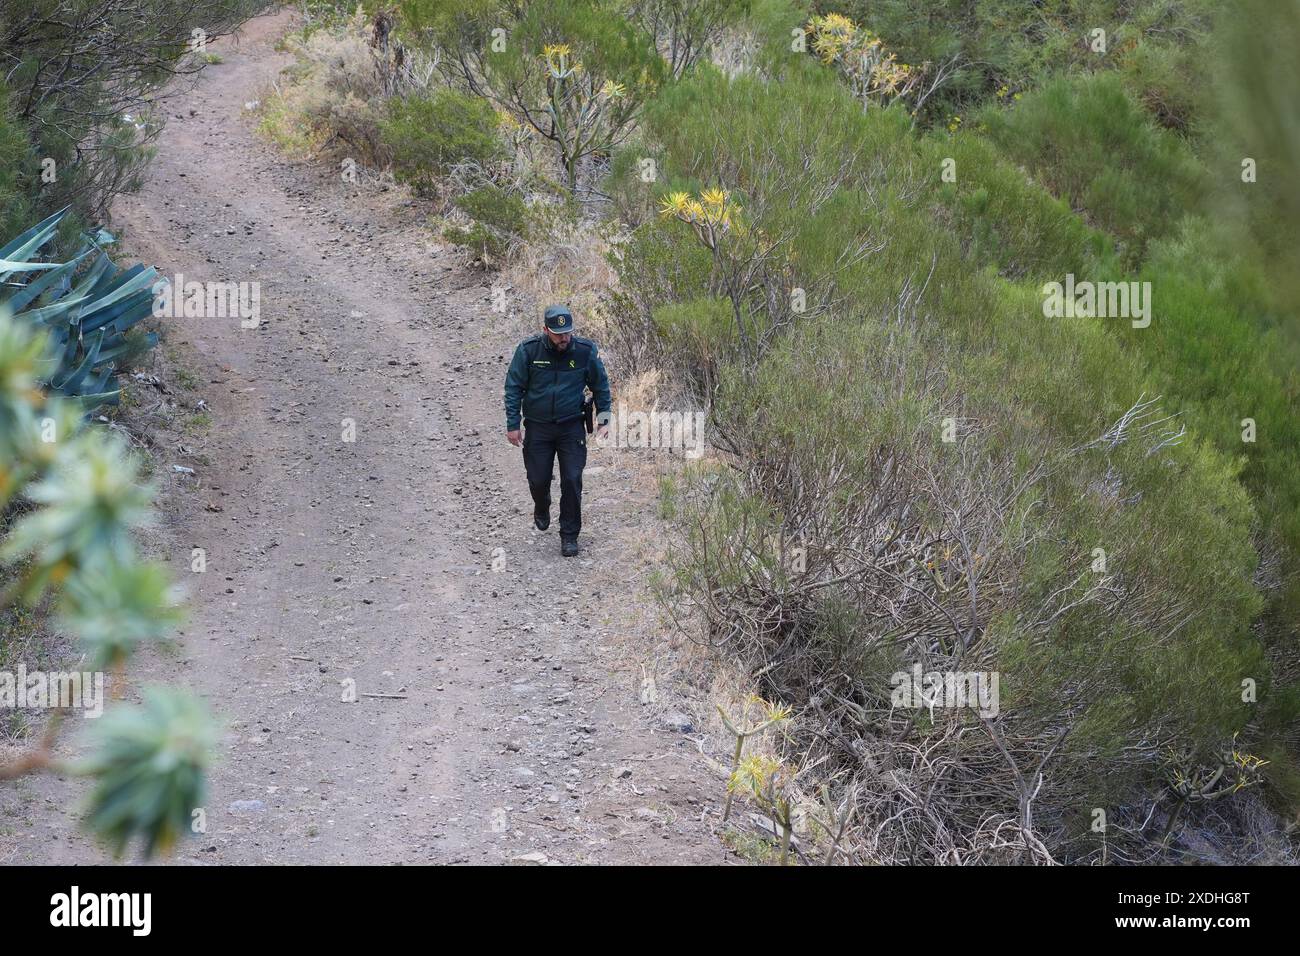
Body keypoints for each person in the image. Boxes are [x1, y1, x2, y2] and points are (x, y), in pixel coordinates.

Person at [504, 304, 611, 556]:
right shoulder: (528, 351)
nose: (564, 338)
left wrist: (604, 419)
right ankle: (542, 506)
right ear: (545, 330)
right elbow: (513, 387)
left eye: (567, 333)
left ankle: (569, 535)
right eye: (558, 333)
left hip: (571, 426)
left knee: (572, 480)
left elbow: (601, 385)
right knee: (538, 479)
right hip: (538, 427)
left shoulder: (585, 351)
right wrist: (512, 424)